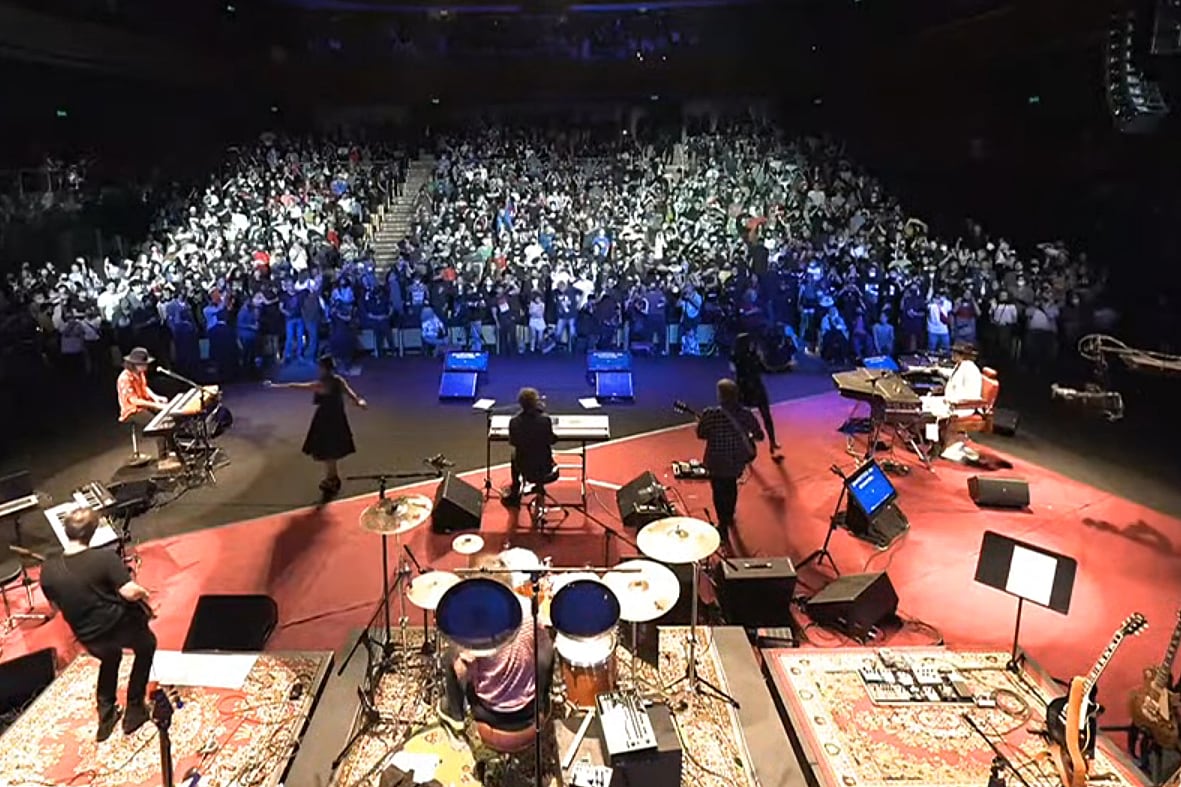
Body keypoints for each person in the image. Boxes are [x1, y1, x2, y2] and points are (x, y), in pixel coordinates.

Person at [40, 507, 157, 741]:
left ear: (66, 531)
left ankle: (106, 716)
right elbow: (129, 592)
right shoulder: (104, 559)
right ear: (93, 532)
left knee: (110, 658)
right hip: (118, 626)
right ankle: (135, 710)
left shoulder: (48, 569)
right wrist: (144, 592)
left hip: (87, 635)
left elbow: (55, 606)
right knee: (147, 645)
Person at [438, 555, 555, 736]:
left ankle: (456, 716)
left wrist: (461, 657)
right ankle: (543, 703)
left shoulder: (474, 626)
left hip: (488, 712)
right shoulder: (528, 609)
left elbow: (462, 673)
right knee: (544, 647)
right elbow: (546, 656)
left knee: (449, 658)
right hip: (528, 708)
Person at [264, 356, 367, 497]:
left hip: (325, 419)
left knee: (328, 450)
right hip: (338, 418)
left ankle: (332, 479)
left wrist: (275, 386)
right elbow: (352, 395)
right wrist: (360, 403)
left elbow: (299, 386)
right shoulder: (338, 380)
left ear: (324, 368)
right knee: (332, 449)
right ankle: (332, 477)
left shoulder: (323, 384)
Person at [694, 379, 764, 549]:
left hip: (716, 461)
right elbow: (759, 435)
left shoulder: (710, 414)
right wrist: (746, 437)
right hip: (735, 460)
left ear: (720, 396)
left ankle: (722, 524)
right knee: (731, 487)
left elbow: (701, 434)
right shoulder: (746, 415)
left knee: (718, 491)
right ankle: (729, 516)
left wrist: (700, 423)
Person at [920, 342, 986, 446]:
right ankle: (925, 437)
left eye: (956, 352)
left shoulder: (970, 370)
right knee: (923, 401)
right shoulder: (961, 365)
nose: (953, 354)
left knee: (930, 412)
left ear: (963, 355)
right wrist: (938, 370)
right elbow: (951, 375)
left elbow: (971, 395)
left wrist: (952, 400)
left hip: (961, 406)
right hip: (950, 401)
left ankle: (933, 442)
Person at [502, 387, 557, 510]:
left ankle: (515, 489)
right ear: (536, 402)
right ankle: (538, 486)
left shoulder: (514, 422)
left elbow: (513, 442)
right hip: (545, 466)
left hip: (523, 466)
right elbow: (551, 440)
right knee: (538, 454)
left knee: (514, 455)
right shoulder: (545, 420)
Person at [731, 333, 782, 461]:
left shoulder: (735, 357)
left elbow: (735, 371)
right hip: (756, 388)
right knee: (766, 416)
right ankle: (772, 442)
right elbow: (765, 369)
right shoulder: (753, 356)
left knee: (741, 418)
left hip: (743, 389)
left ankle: (745, 443)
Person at [116, 346, 171, 458]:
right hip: (132, 410)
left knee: (167, 419)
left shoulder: (140, 373)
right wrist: (155, 405)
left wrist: (156, 397)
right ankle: (163, 457)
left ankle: (172, 450)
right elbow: (134, 400)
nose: (146, 366)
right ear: (135, 364)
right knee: (158, 426)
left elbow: (144, 387)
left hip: (144, 404)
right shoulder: (125, 378)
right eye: (144, 364)